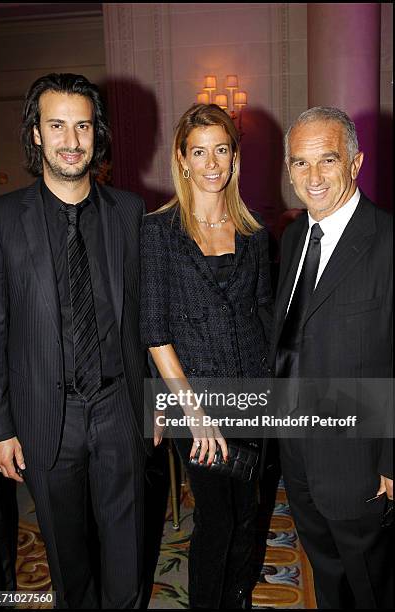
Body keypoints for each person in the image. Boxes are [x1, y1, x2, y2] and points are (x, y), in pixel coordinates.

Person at [0, 73, 147, 609]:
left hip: (117, 405)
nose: (71, 140)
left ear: (96, 132)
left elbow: (144, 317)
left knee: (127, 551)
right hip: (42, 416)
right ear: (36, 133)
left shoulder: (129, 213)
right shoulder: (1, 219)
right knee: (66, 556)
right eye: (56, 125)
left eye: (82, 125)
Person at [140, 103, 273, 609]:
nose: (212, 162)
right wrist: (189, 414)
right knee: (217, 518)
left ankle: (237, 597)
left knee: (248, 512)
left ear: (235, 158)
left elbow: (262, 317)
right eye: (200, 151)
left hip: (252, 396)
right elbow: (154, 331)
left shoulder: (255, 232)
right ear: (183, 158)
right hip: (193, 398)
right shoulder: (159, 233)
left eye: (222, 149)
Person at [271, 107, 393, 609]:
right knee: (325, 572)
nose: (313, 177)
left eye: (327, 160)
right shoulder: (296, 236)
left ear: (356, 162)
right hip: (298, 449)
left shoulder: (386, 241)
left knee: (372, 582)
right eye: (299, 163)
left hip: (359, 457)